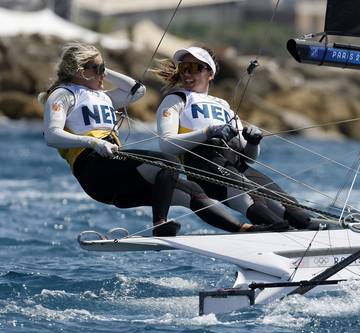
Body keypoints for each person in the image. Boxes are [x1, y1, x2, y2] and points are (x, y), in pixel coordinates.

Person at [39, 43, 267, 236]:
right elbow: (52, 136)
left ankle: (242, 229)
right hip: (94, 168)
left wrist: (103, 71)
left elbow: (137, 90)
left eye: (103, 68)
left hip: (118, 175)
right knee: (167, 161)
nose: (103, 74)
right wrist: (93, 142)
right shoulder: (63, 94)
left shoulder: (102, 97)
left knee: (193, 189)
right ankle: (160, 223)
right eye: (99, 68)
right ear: (80, 71)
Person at [152, 45, 312, 229]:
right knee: (252, 198)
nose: (187, 73)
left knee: (294, 210)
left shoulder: (223, 104)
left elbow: (248, 157)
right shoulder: (176, 100)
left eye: (195, 68)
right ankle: (287, 236)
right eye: (183, 68)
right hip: (204, 165)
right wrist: (207, 132)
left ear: (210, 74)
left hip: (236, 165)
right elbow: (166, 145)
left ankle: (313, 232)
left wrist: (253, 142)